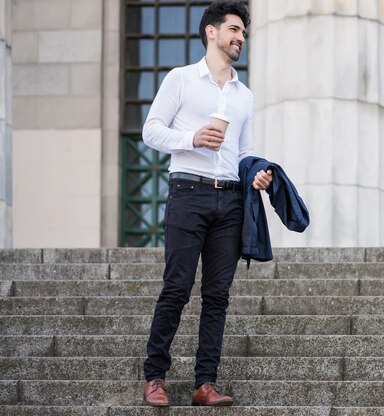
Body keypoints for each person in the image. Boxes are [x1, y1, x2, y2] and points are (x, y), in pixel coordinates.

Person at [141, 1, 272, 407]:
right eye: (234, 30)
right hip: (188, 193)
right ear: (211, 32)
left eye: (244, 34)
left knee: (218, 295)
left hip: (230, 200)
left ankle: (205, 383)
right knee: (177, 287)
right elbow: (151, 131)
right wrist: (192, 138)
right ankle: (155, 377)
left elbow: (245, 150)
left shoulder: (244, 95)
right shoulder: (180, 80)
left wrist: (257, 175)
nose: (240, 39)